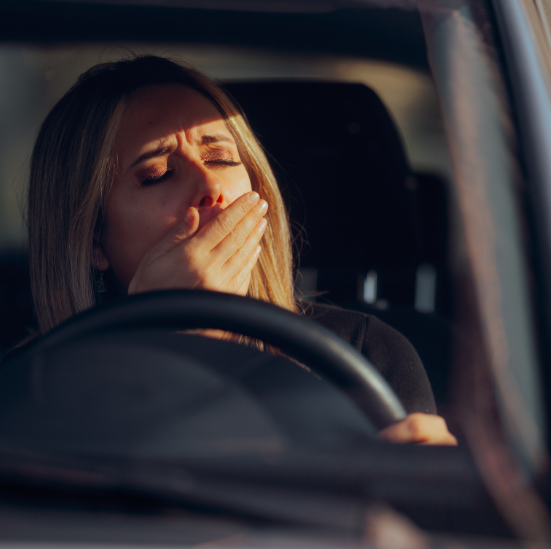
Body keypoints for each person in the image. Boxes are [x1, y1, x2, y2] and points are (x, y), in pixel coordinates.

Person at [27, 55, 456, 446]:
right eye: (157, 174)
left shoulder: (367, 354)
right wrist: (167, 342)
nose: (211, 187)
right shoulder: (30, 387)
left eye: (221, 158)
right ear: (92, 242)